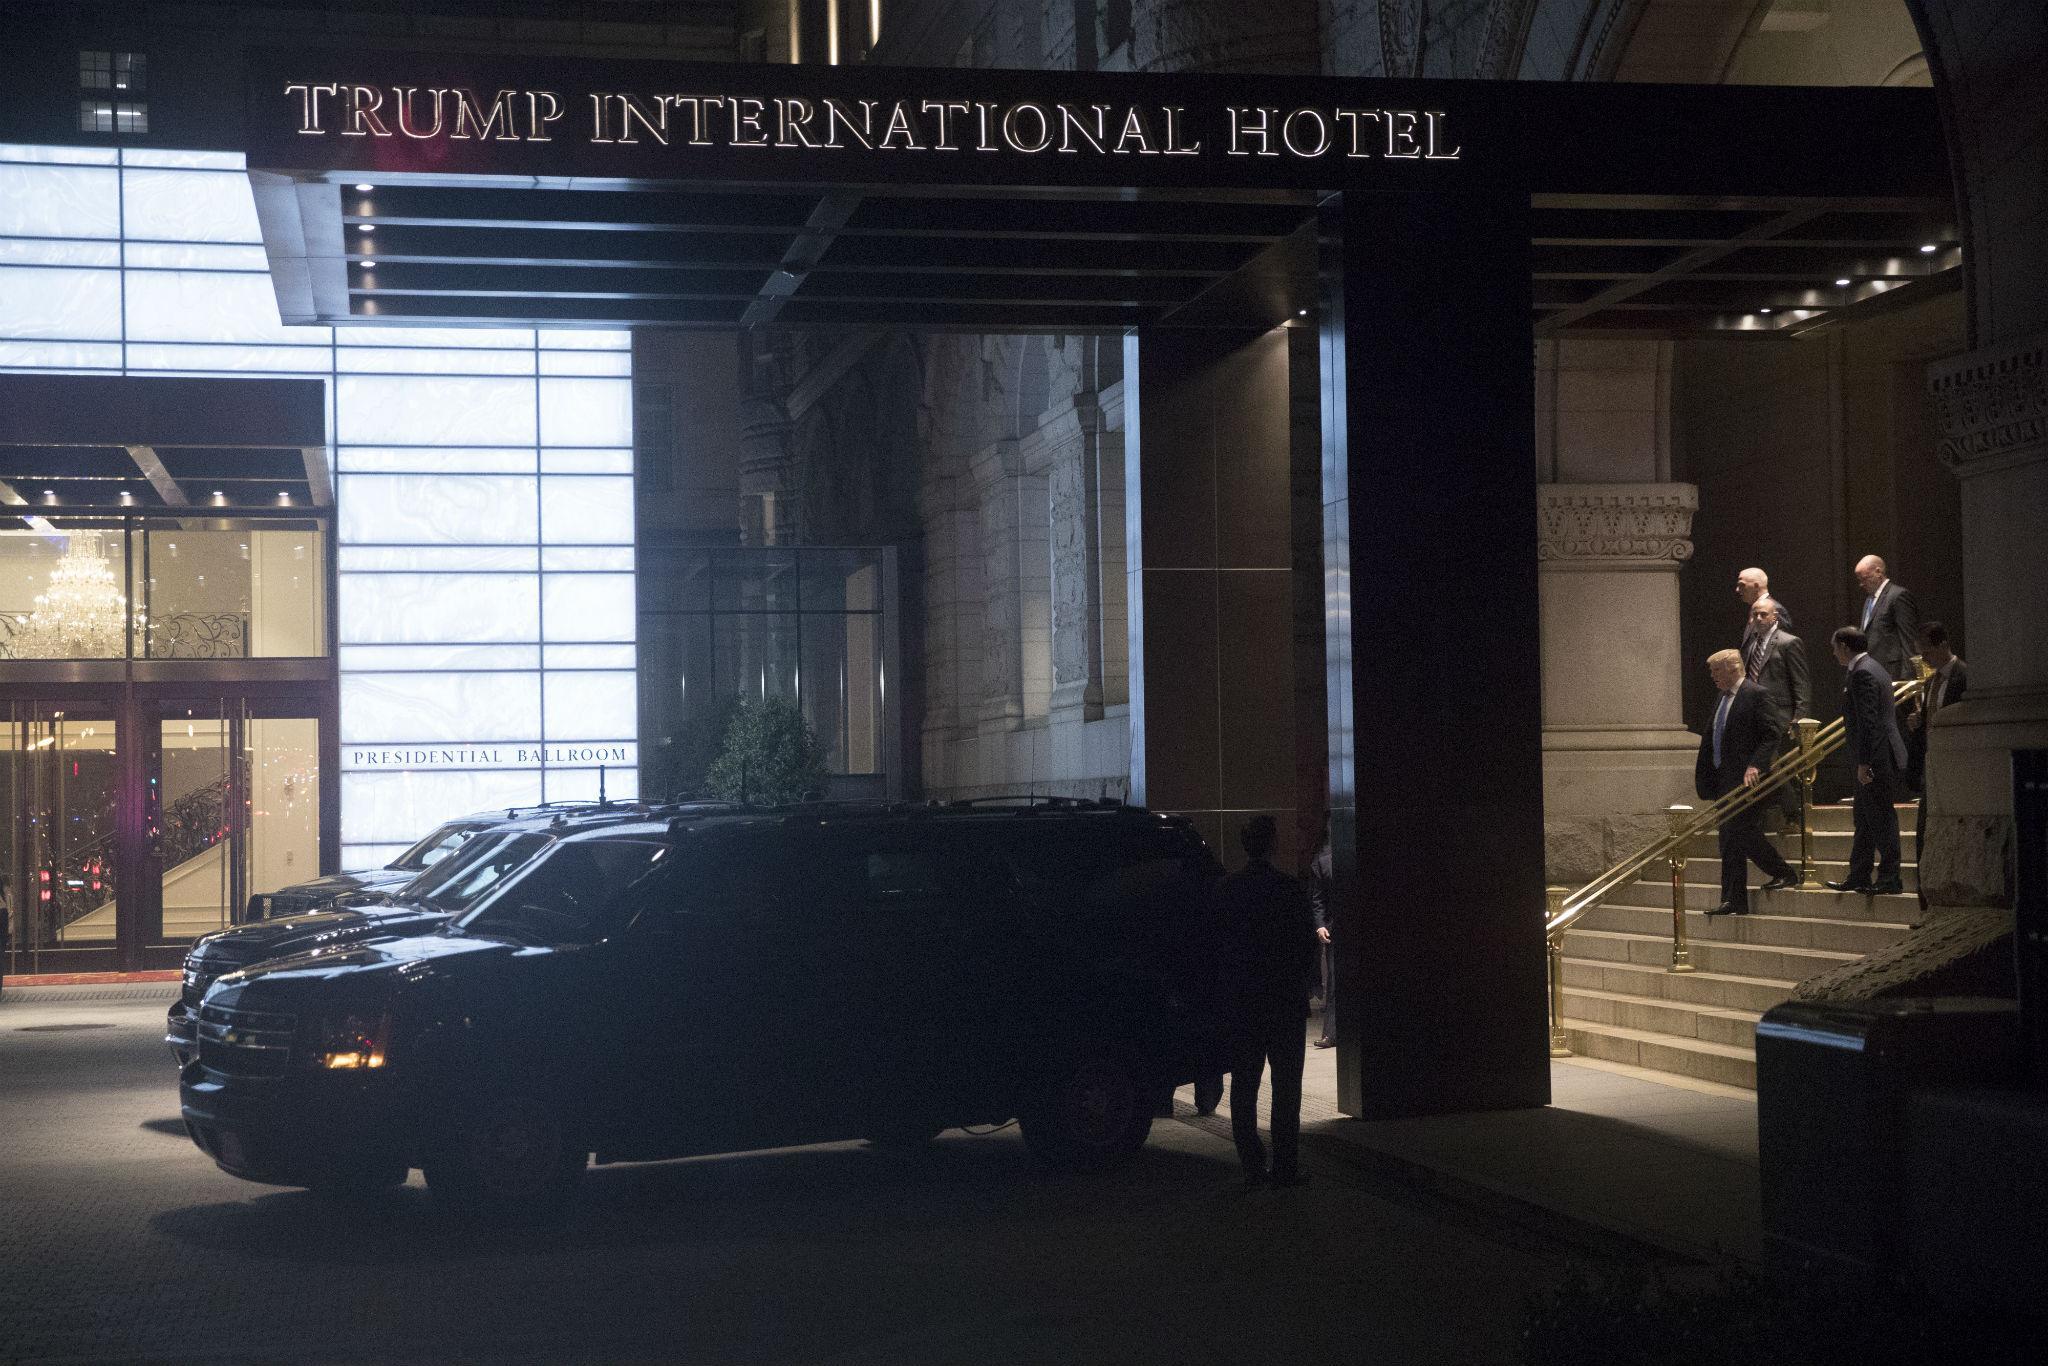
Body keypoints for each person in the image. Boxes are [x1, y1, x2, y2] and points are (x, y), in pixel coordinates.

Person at [1214, 814, 1318, 1189]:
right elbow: (1305, 947)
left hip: (1244, 1003)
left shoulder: (1227, 891)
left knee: (1245, 1085)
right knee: (1286, 1088)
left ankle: (1252, 1166)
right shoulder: (1289, 890)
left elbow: (1217, 949)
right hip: (1284, 1002)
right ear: (1272, 843)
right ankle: (1285, 1166)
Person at [1695, 650, 1799, 915]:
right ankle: (1733, 899)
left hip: (1747, 779)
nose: (1712, 676)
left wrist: (1756, 765)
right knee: (1729, 838)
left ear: (1732, 668)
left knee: (1739, 832)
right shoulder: (1722, 697)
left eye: (1716, 670)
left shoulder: (1756, 694)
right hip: (1723, 779)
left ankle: (1781, 873)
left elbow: (1770, 735)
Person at [1825, 625, 1909, 896]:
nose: (1834, 652)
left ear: (1845, 647)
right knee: (1863, 818)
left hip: (1876, 757)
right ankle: (1859, 874)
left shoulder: (1862, 672)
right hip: (1878, 753)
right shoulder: (1875, 667)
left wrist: (1864, 763)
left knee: (1881, 817)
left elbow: (1869, 722)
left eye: (1835, 647)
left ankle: (1889, 878)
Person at [1909, 622, 1968, 906]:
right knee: (1923, 836)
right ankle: (1926, 905)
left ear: (1943, 644)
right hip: (1931, 768)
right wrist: (1917, 724)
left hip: (1956, 769)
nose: (1924, 659)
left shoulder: (1965, 676)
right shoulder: (1930, 683)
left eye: (1927, 651)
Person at [1745, 600, 1809, 826]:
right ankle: (1781, 812)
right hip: (1757, 714)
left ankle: (1793, 812)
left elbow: (1800, 681)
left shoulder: (1788, 642)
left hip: (1780, 713)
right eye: (1755, 615)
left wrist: (1800, 715)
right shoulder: (1752, 646)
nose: (1758, 619)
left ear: (1775, 617)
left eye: (1763, 614)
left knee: (1771, 761)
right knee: (1767, 763)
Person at [1853, 554, 1921, 689]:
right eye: (1859, 580)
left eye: (1864, 579)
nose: (1861, 584)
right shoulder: (1869, 601)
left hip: (1893, 674)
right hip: (1873, 673)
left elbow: (1908, 639)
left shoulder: (1898, 596)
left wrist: (1907, 680)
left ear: (1878, 572)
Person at [1308, 833, 1335, 1049]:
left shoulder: (1324, 862)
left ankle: (1333, 1033)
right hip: (1334, 930)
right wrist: (1320, 924)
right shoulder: (1323, 862)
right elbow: (1317, 899)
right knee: (1334, 981)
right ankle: (1331, 1033)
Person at [1736, 566, 1793, 656]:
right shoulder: (1754, 609)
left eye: (1742, 585)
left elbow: (1783, 645)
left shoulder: (1775, 609)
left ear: (1756, 586)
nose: (1737, 590)